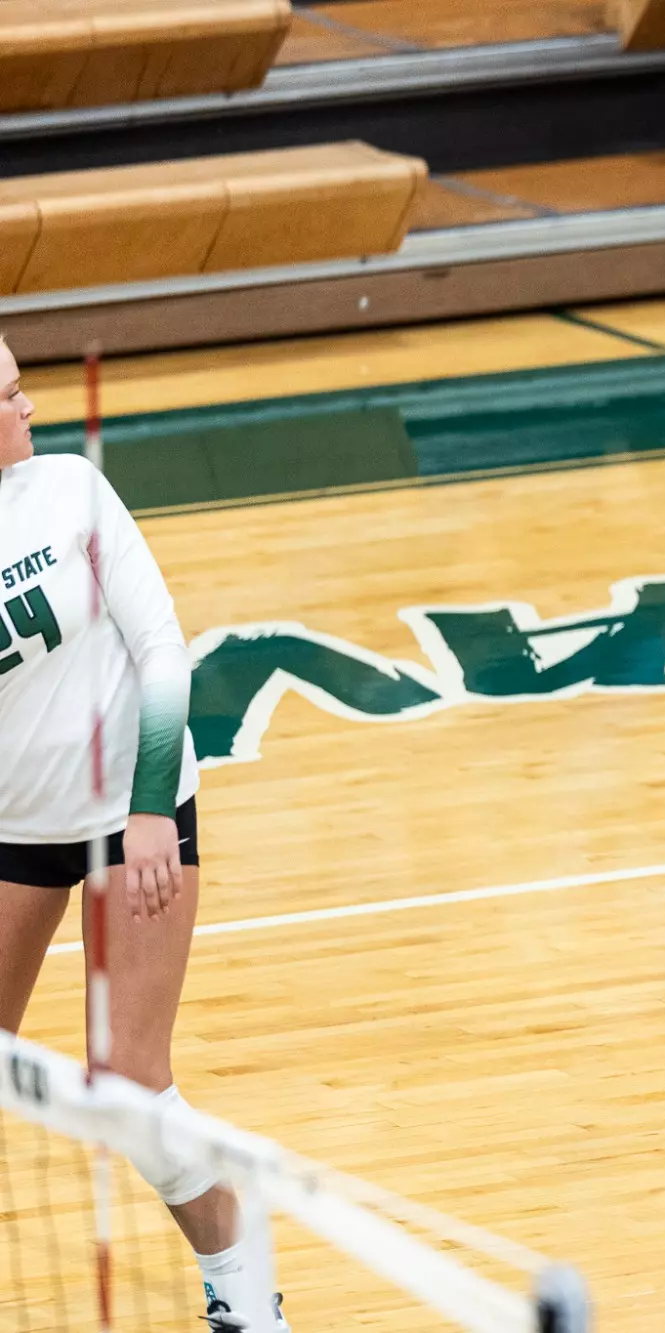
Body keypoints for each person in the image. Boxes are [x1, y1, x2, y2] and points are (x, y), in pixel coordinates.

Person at [0, 339, 291, 1330]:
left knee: (125, 1077)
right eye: (6, 398)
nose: (27, 407)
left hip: (136, 805)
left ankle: (244, 1295)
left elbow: (165, 653)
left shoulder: (71, 490)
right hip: (15, 827)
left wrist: (152, 806)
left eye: (22, 386)